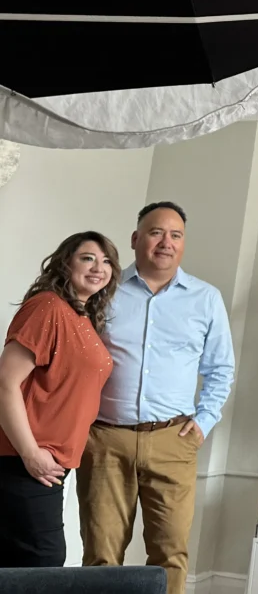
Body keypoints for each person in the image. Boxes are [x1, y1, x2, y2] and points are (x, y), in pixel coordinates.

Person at [77, 202, 234, 594]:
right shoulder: (104, 291)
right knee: (101, 554)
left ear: (183, 244)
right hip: (105, 441)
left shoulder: (206, 298)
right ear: (135, 239)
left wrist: (203, 422)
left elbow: (221, 369)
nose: (166, 242)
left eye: (175, 235)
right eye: (155, 232)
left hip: (174, 440)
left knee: (170, 553)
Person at [0, 232, 121, 567]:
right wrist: (30, 454)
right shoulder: (47, 306)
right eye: (88, 258)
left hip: (50, 464)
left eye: (107, 260)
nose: (99, 267)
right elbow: (5, 383)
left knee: (21, 567)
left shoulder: (80, 316)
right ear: (66, 262)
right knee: (44, 563)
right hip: (24, 463)